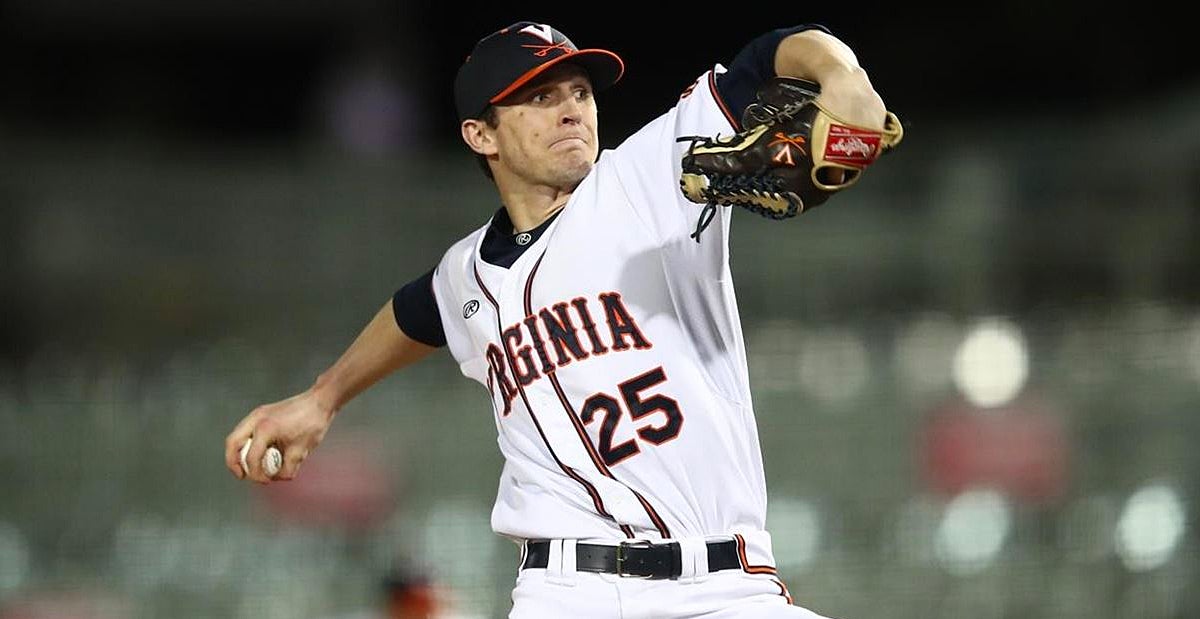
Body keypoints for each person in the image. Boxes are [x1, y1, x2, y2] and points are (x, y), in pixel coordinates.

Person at [226, 19, 890, 618]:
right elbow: (418, 310)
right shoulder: (467, 274)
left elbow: (771, 55)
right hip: (567, 590)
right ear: (480, 134)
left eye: (580, 93)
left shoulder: (648, 176)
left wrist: (842, 73)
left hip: (723, 587)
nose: (571, 109)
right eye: (541, 98)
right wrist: (323, 397)